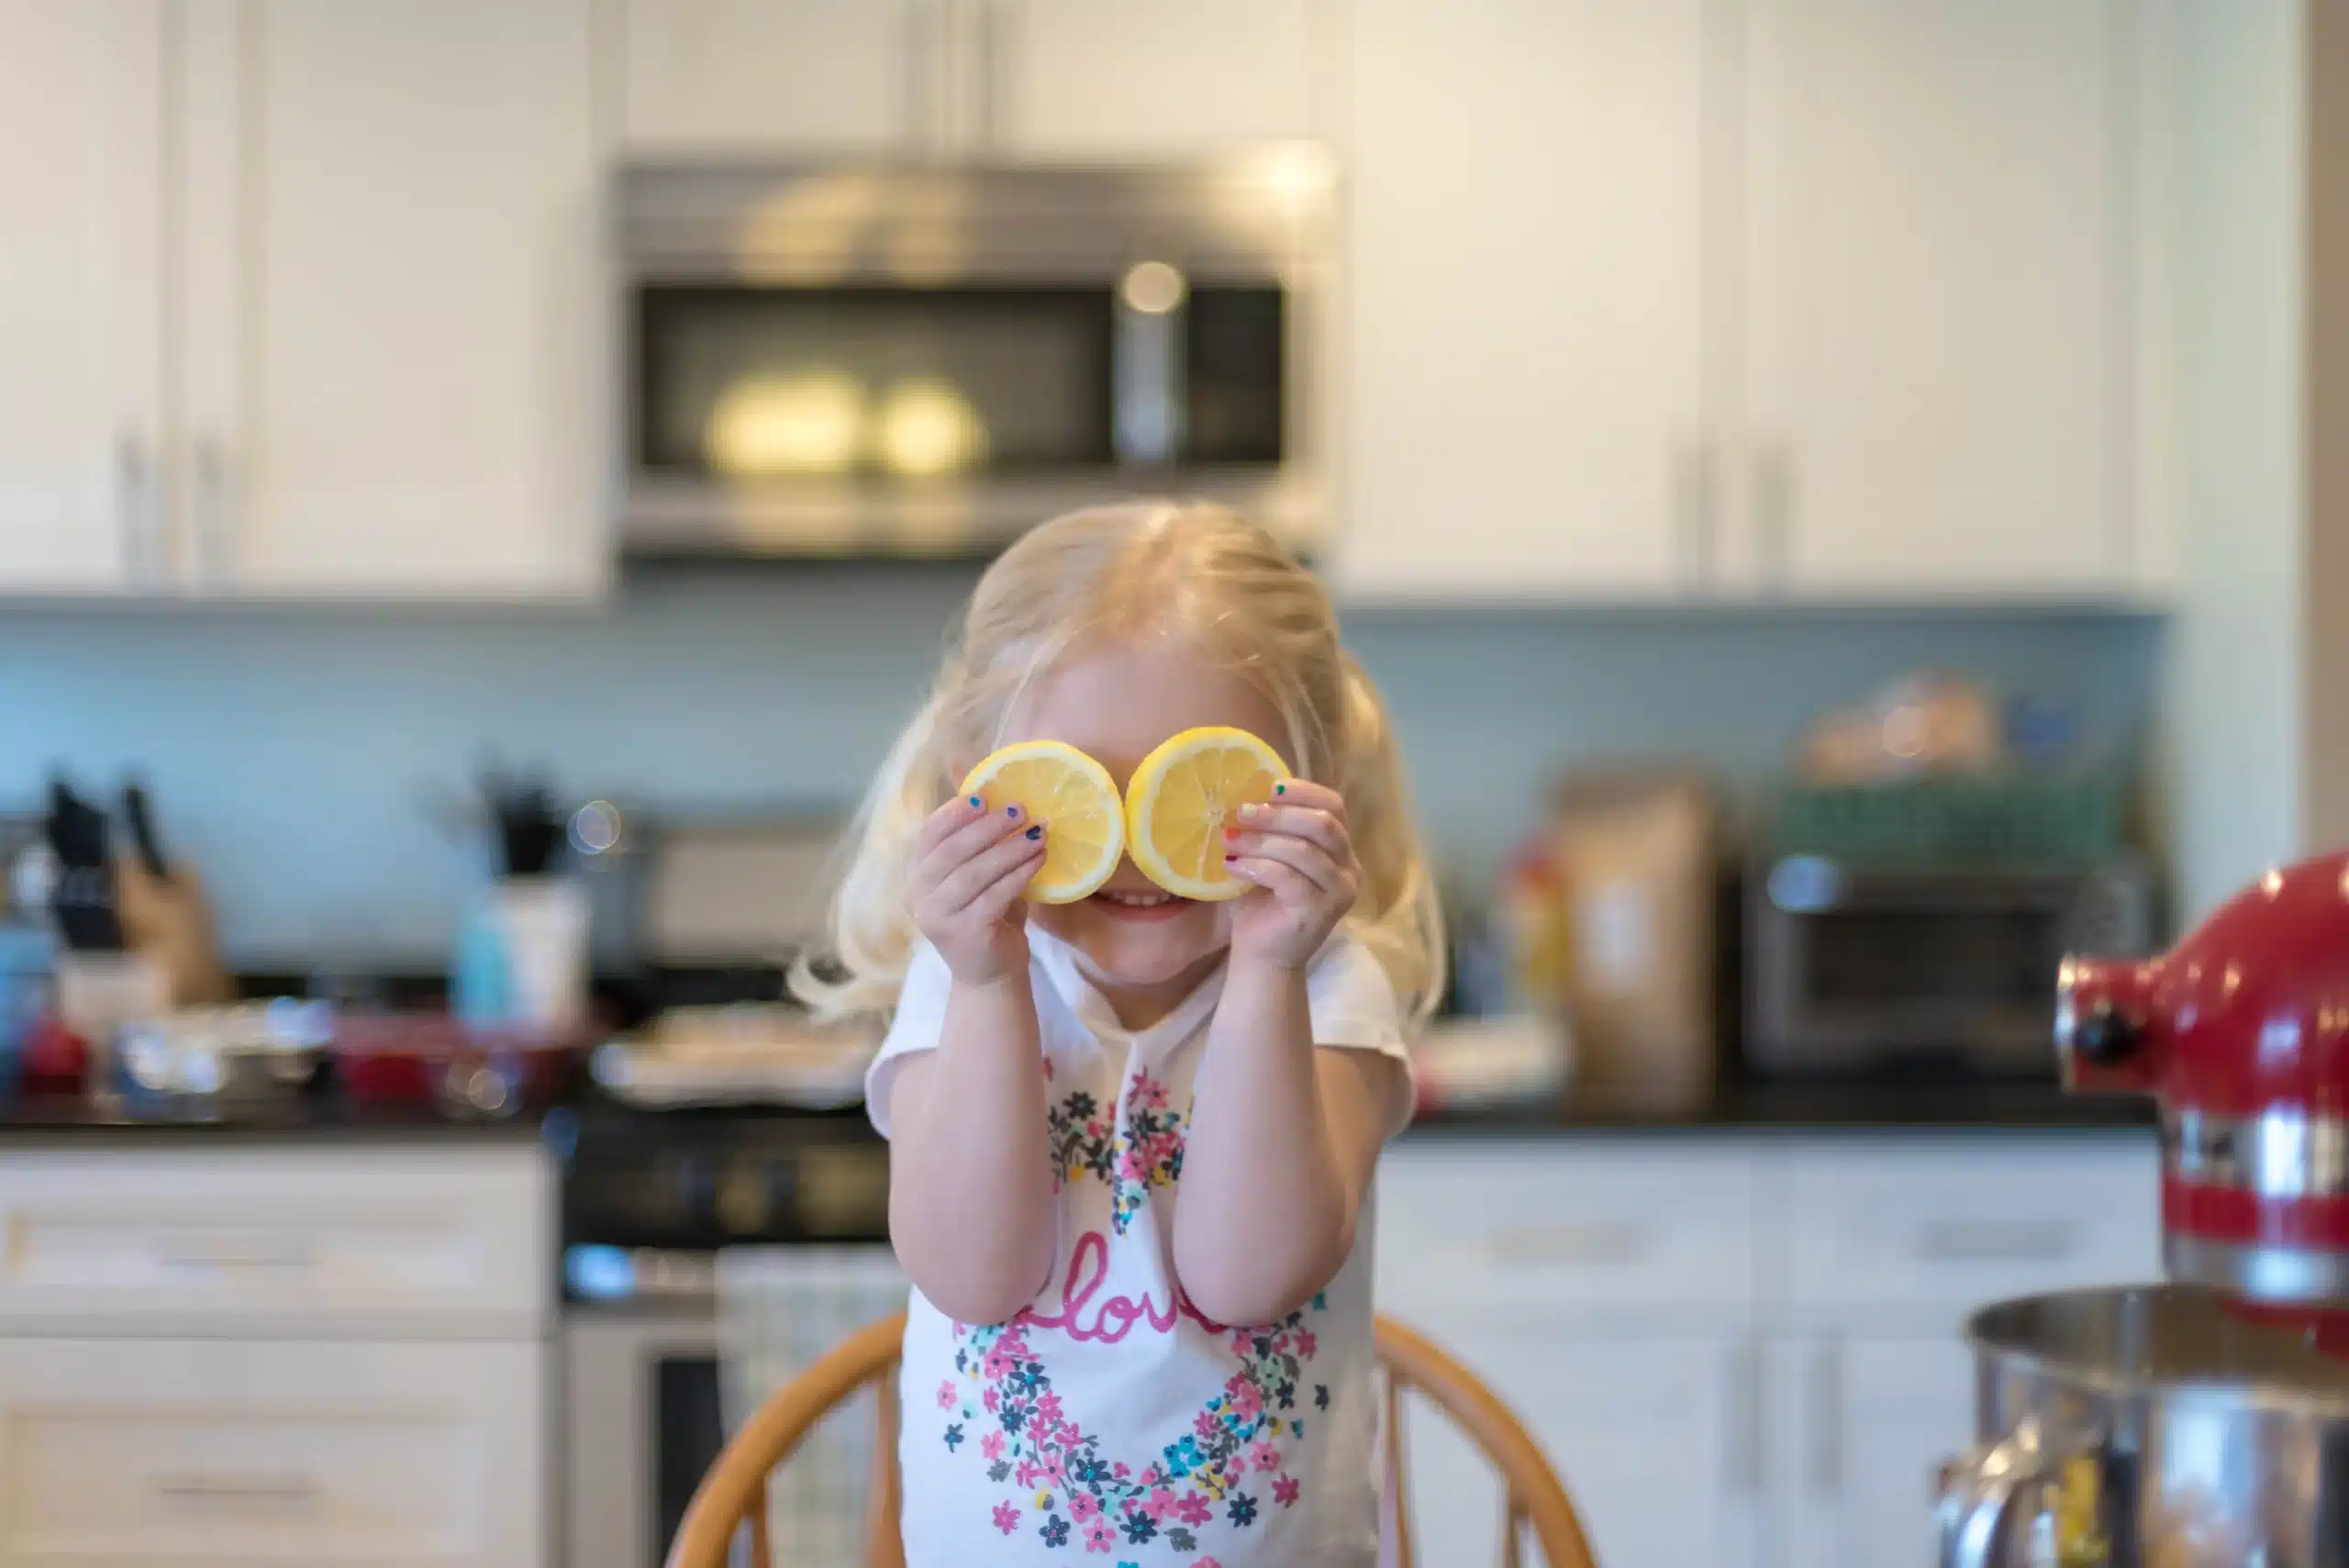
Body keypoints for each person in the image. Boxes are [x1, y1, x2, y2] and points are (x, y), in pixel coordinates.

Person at [802, 500, 1443, 1566]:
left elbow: (1248, 1276)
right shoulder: (957, 985)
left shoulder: (1328, 987)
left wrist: (1267, 967)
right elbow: (972, 1271)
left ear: (1310, 783)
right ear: (978, 779)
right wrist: (990, 982)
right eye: (1081, 788)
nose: (1138, 844)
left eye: (1197, 785)